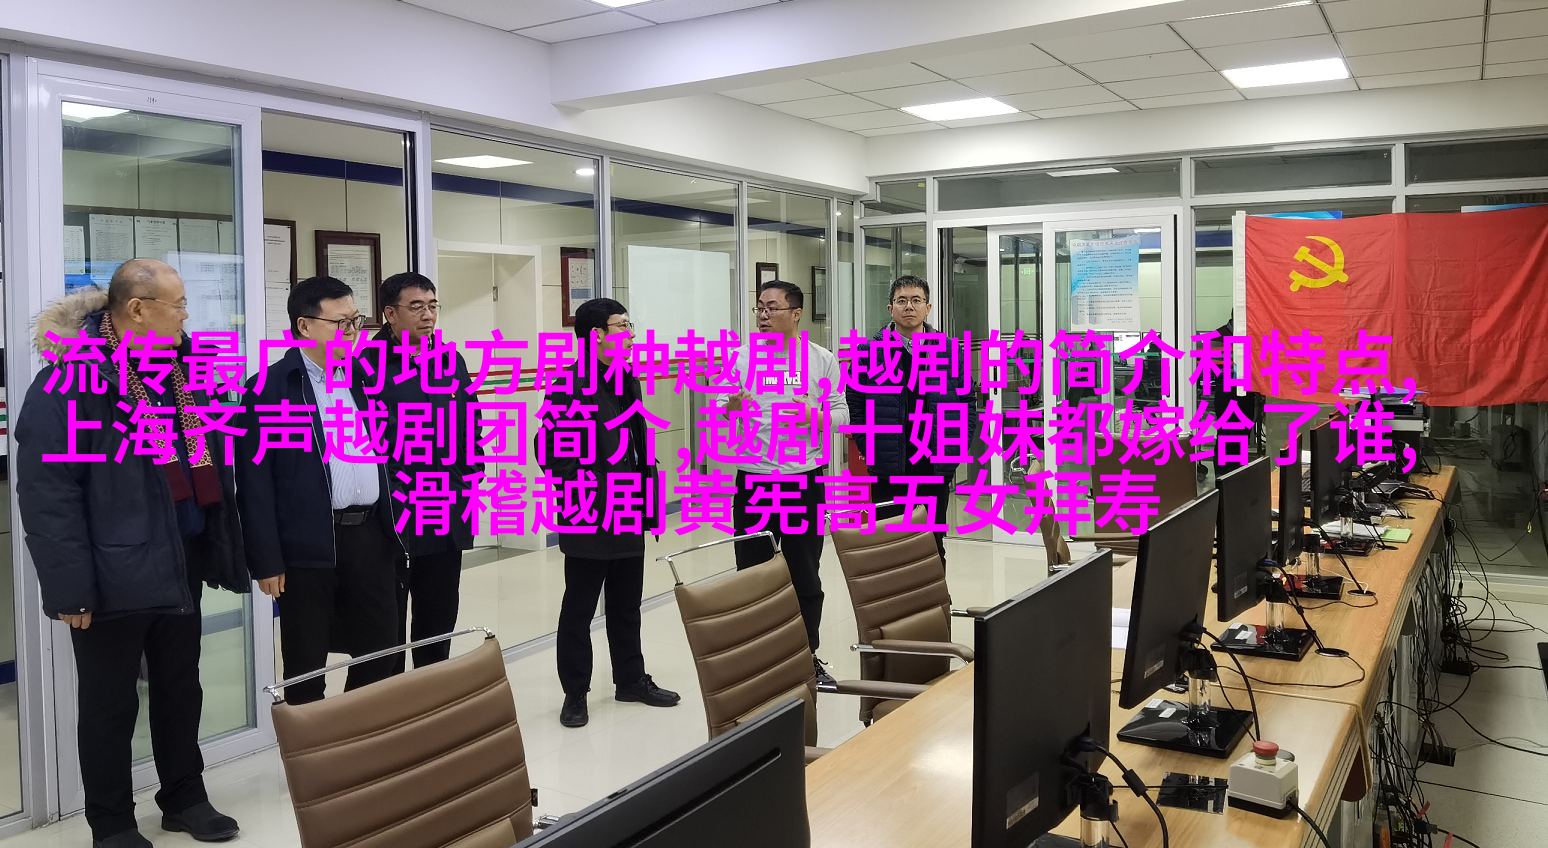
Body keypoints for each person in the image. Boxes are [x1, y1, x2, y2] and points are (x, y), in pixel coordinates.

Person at [16, 260, 247, 847]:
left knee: (181, 688)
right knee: (110, 704)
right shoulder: (70, 383)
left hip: (181, 556)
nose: (187, 315)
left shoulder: (186, 372)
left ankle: (184, 798)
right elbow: (48, 496)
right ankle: (112, 821)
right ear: (138, 309)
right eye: (178, 304)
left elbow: (213, 454)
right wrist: (70, 590)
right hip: (111, 570)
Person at [237, 276, 405, 706]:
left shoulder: (366, 379)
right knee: (306, 661)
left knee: (382, 650)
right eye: (341, 322)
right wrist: (267, 560)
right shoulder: (269, 388)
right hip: (307, 542)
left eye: (356, 321)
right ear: (305, 325)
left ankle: (354, 733)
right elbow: (255, 485)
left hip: (370, 535)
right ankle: (312, 744)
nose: (352, 332)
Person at [541, 298, 680, 728]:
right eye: (623, 326)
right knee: (579, 608)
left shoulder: (625, 379)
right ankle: (575, 692)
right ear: (596, 335)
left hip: (629, 506)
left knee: (626, 603)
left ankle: (631, 679)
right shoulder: (568, 384)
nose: (631, 334)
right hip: (588, 511)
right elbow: (549, 451)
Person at [722, 280, 849, 687]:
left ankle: (807, 657)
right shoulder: (740, 359)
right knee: (753, 577)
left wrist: (817, 416)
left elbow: (842, 415)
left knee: (805, 576)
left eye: (772, 307)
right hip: (754, 483)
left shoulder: (822, 360)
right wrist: (730, 408)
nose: (763, 315)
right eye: (759, 307)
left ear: (796, 313)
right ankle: (758, 662)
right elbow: (722, 412)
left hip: (803, 482)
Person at [371, 272, 480, 671]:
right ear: (390, 313)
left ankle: (432, 692)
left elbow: (471, 423)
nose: (428, 315)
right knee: (387, 622)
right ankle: (392, 698)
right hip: (393, 512)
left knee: (438, 616)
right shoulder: (365, 366)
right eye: (416, 306)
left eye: (433, 305)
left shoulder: (451, 360)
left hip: (445, 505)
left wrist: (470, 477)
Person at [845, 275, 977, 565]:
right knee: (891, 547)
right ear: (890, 308)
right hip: (889, 464)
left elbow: (968, 402)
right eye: (902, 300)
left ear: (928, 308)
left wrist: (955, 450)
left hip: (934, 463)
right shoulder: (869, 352)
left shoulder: (949, 350)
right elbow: (855, 403)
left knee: (932, 545)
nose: (909, 306)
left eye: (916, 300)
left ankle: (933, 595)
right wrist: (870, 448)